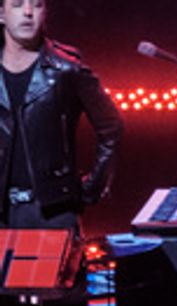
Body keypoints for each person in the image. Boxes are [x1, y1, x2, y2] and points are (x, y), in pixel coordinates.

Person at [0, 0, 122, 232]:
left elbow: (111, 126)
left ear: (45, 13)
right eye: (17, 5)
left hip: (52, 211)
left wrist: (91, 188)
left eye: (36, 5)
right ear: (1, 14)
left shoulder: (67, 68)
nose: (28, 13)